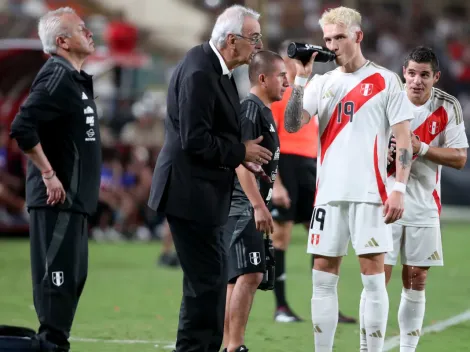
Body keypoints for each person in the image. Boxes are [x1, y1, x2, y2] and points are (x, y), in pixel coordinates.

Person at [283, 6, 414, 351]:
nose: (333, 44)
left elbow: (403, 139)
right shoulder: (322, 83)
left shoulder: (386, 81)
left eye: (339, 37)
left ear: (358, 36)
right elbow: (293, 124)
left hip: (371, 194)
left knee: (373, 282)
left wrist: (398, 188)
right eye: (327, 39)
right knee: (322, 278)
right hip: (328, 195)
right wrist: (300, 79)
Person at [147, 5, 272, 352]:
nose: (258, 45)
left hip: (201, 193)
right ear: (232, 40)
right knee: (208, 282)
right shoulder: (200, 72)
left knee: (207, 282)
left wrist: (244, 156)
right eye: (254, 39)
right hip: (189, 194)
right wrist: (240, 152)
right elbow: (195, 139)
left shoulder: (214, 68)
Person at [9, 7, 100, 352]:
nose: (89, 32)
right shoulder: (57, 75)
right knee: (56, 300)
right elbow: (22, 126)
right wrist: (48, 174)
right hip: (56, 204)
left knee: (71, 287)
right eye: (81, 29)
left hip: (76, 204)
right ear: (63, 41)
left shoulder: (74, 77)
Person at [367, 46, 468, 352]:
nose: (417, 81)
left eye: (424, 75)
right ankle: (368, 348)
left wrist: (420, 147)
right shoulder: (385, 100)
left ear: (435, 77)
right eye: (411, 73)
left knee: (416, 279)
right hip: (384, 202)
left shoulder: (448, 106)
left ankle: (407, 350)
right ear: (404, 74)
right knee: (376, 280)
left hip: (424, 204)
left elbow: (460, 158)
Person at [269, 40, 356, 324]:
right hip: (287, 166)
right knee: (280, 237)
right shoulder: (279, 95)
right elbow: (272, 142)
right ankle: (281, 306)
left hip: (311, 166)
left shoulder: (315, 90)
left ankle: (326, 306)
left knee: (320, 238)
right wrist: (277, 183)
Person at [222, 50, 288, 352]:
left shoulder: (263, 111)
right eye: (281, 76)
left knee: (242, 277)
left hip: (249, 205)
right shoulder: (250, 110)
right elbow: (240, 162)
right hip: (242, 206)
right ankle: (234, 346)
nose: (286, 82)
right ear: (262, 78)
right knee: (249, 273)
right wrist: (258, 205)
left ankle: (230, 345)